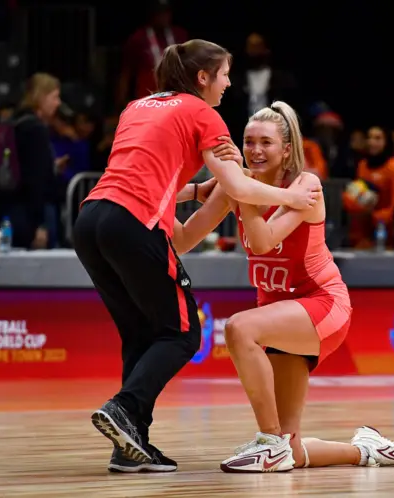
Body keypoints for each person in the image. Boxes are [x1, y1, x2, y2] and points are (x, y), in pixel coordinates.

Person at [72, 40, 321, 473]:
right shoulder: (203, 112)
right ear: (203, 77)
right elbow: (240, 188)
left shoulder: (138, 106)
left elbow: (151, 193)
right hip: (132, 221)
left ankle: (131, 447)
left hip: (91, 220)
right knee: (183, 334)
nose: (228, 83)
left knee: (143, 334)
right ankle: (124, 408)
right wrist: (291, 195)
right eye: (224, 74)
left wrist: (195, 192)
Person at [171, 101, 394, 473]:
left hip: (322, 306)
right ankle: (366, 450)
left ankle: (267, 442)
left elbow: (261, 241)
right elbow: (182, 240)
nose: (255, 151)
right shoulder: (237, 188)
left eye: (266, 143)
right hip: (280, 316)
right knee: (294, 449)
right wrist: (160, 197)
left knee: (239, 328)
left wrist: (235, 184)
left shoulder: (306, 186)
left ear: (287, 149)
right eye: (248, 142)